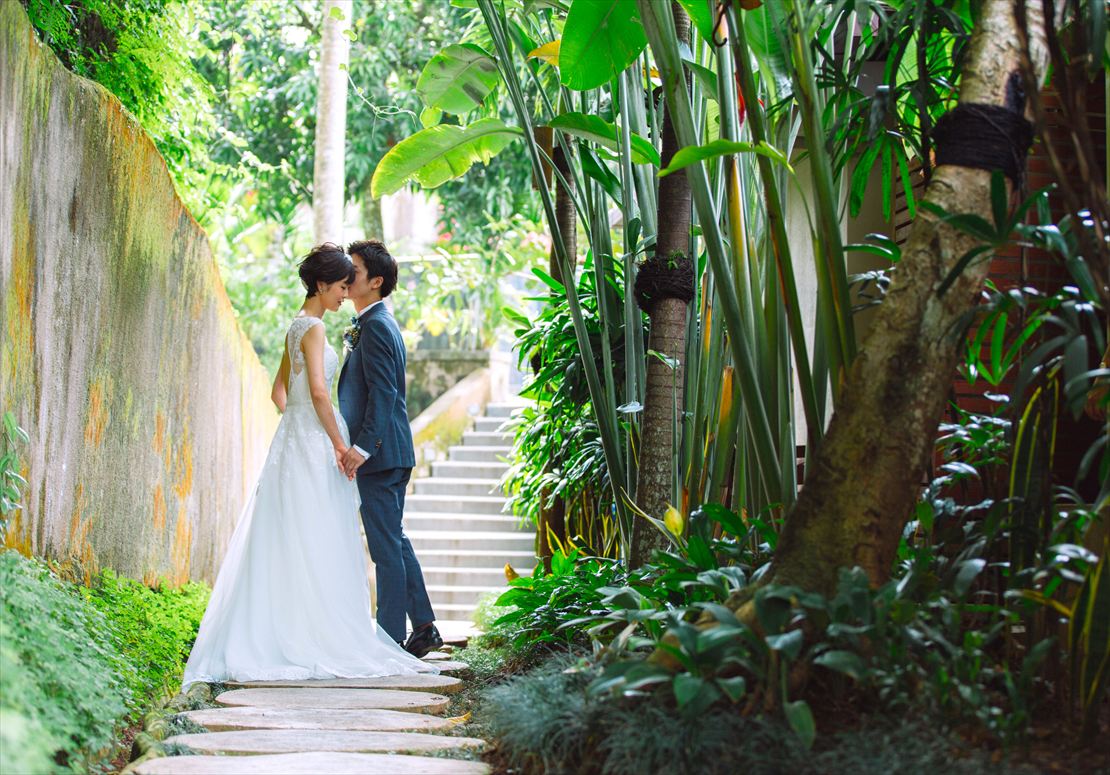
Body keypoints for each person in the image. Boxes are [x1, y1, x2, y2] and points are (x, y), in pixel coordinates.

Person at [182, 244, 434, 687]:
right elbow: (318, 393)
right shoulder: (324, 327)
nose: (346, 286)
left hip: (344, 448)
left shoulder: (319, 327)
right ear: (323, 284)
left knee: (351, 540)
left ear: (374, 280)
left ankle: (399, 633)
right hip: (329, 444)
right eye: (341, 280)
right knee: (348, 538)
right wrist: (334, 441)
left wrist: (307, 431)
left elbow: (291, 393)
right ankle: (398, 633)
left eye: (352, 276)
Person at [338, 239, 442, 657]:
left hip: (381, 454)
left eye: (355, 270)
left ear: (376, 281)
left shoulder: (378, 325)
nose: (347, 276)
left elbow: (384, 392)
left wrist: (363, 447)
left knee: (385, 547)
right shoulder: (375, 321)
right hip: (390, 451)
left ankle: (389, 639)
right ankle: (424, 628)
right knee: (393, 540)